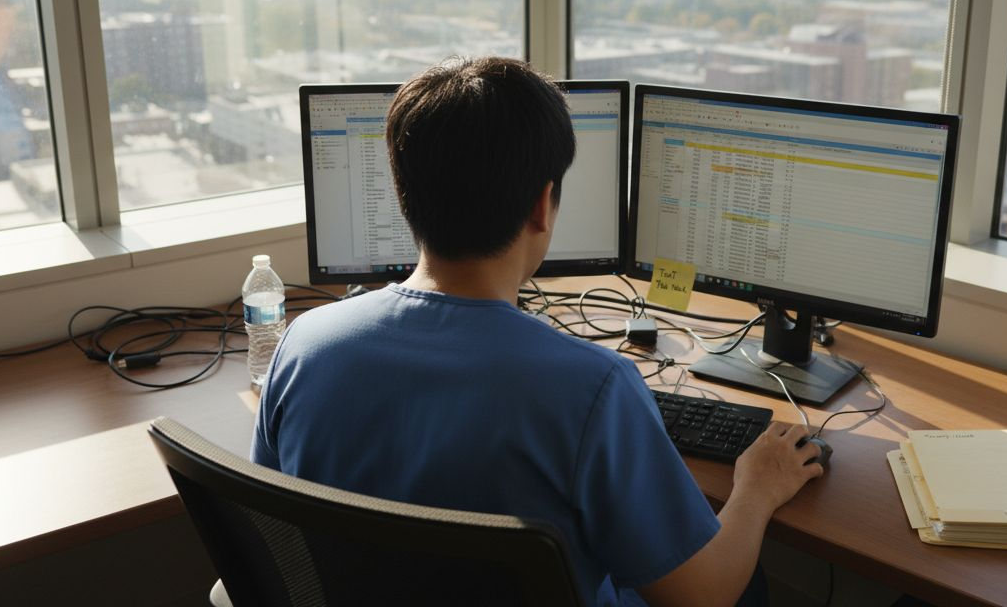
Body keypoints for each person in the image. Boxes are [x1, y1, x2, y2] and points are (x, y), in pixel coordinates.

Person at [252, 56, 824, 606]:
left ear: (402, 194)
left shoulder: (304, 346)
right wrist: (757, 490)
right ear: (542, 205)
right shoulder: (593, 388)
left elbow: (271, 530)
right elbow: (703, 596)